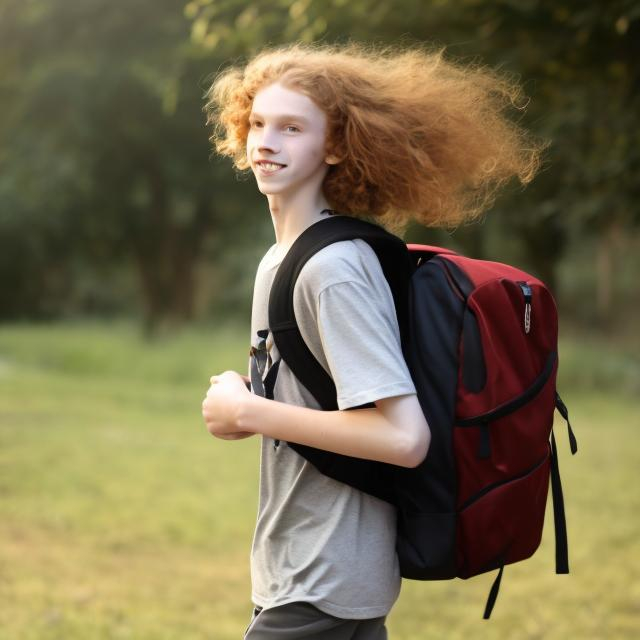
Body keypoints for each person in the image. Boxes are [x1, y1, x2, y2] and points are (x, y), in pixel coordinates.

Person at [201, 41, 543, 639]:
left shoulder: (332, 269)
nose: (266, 142)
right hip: (306, 576)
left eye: (291, 127)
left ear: (334, 146)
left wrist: (250, 411)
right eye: (257, 123)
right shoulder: (282, 260)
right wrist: (244, 398)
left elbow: (403, 437)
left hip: (323, 579)